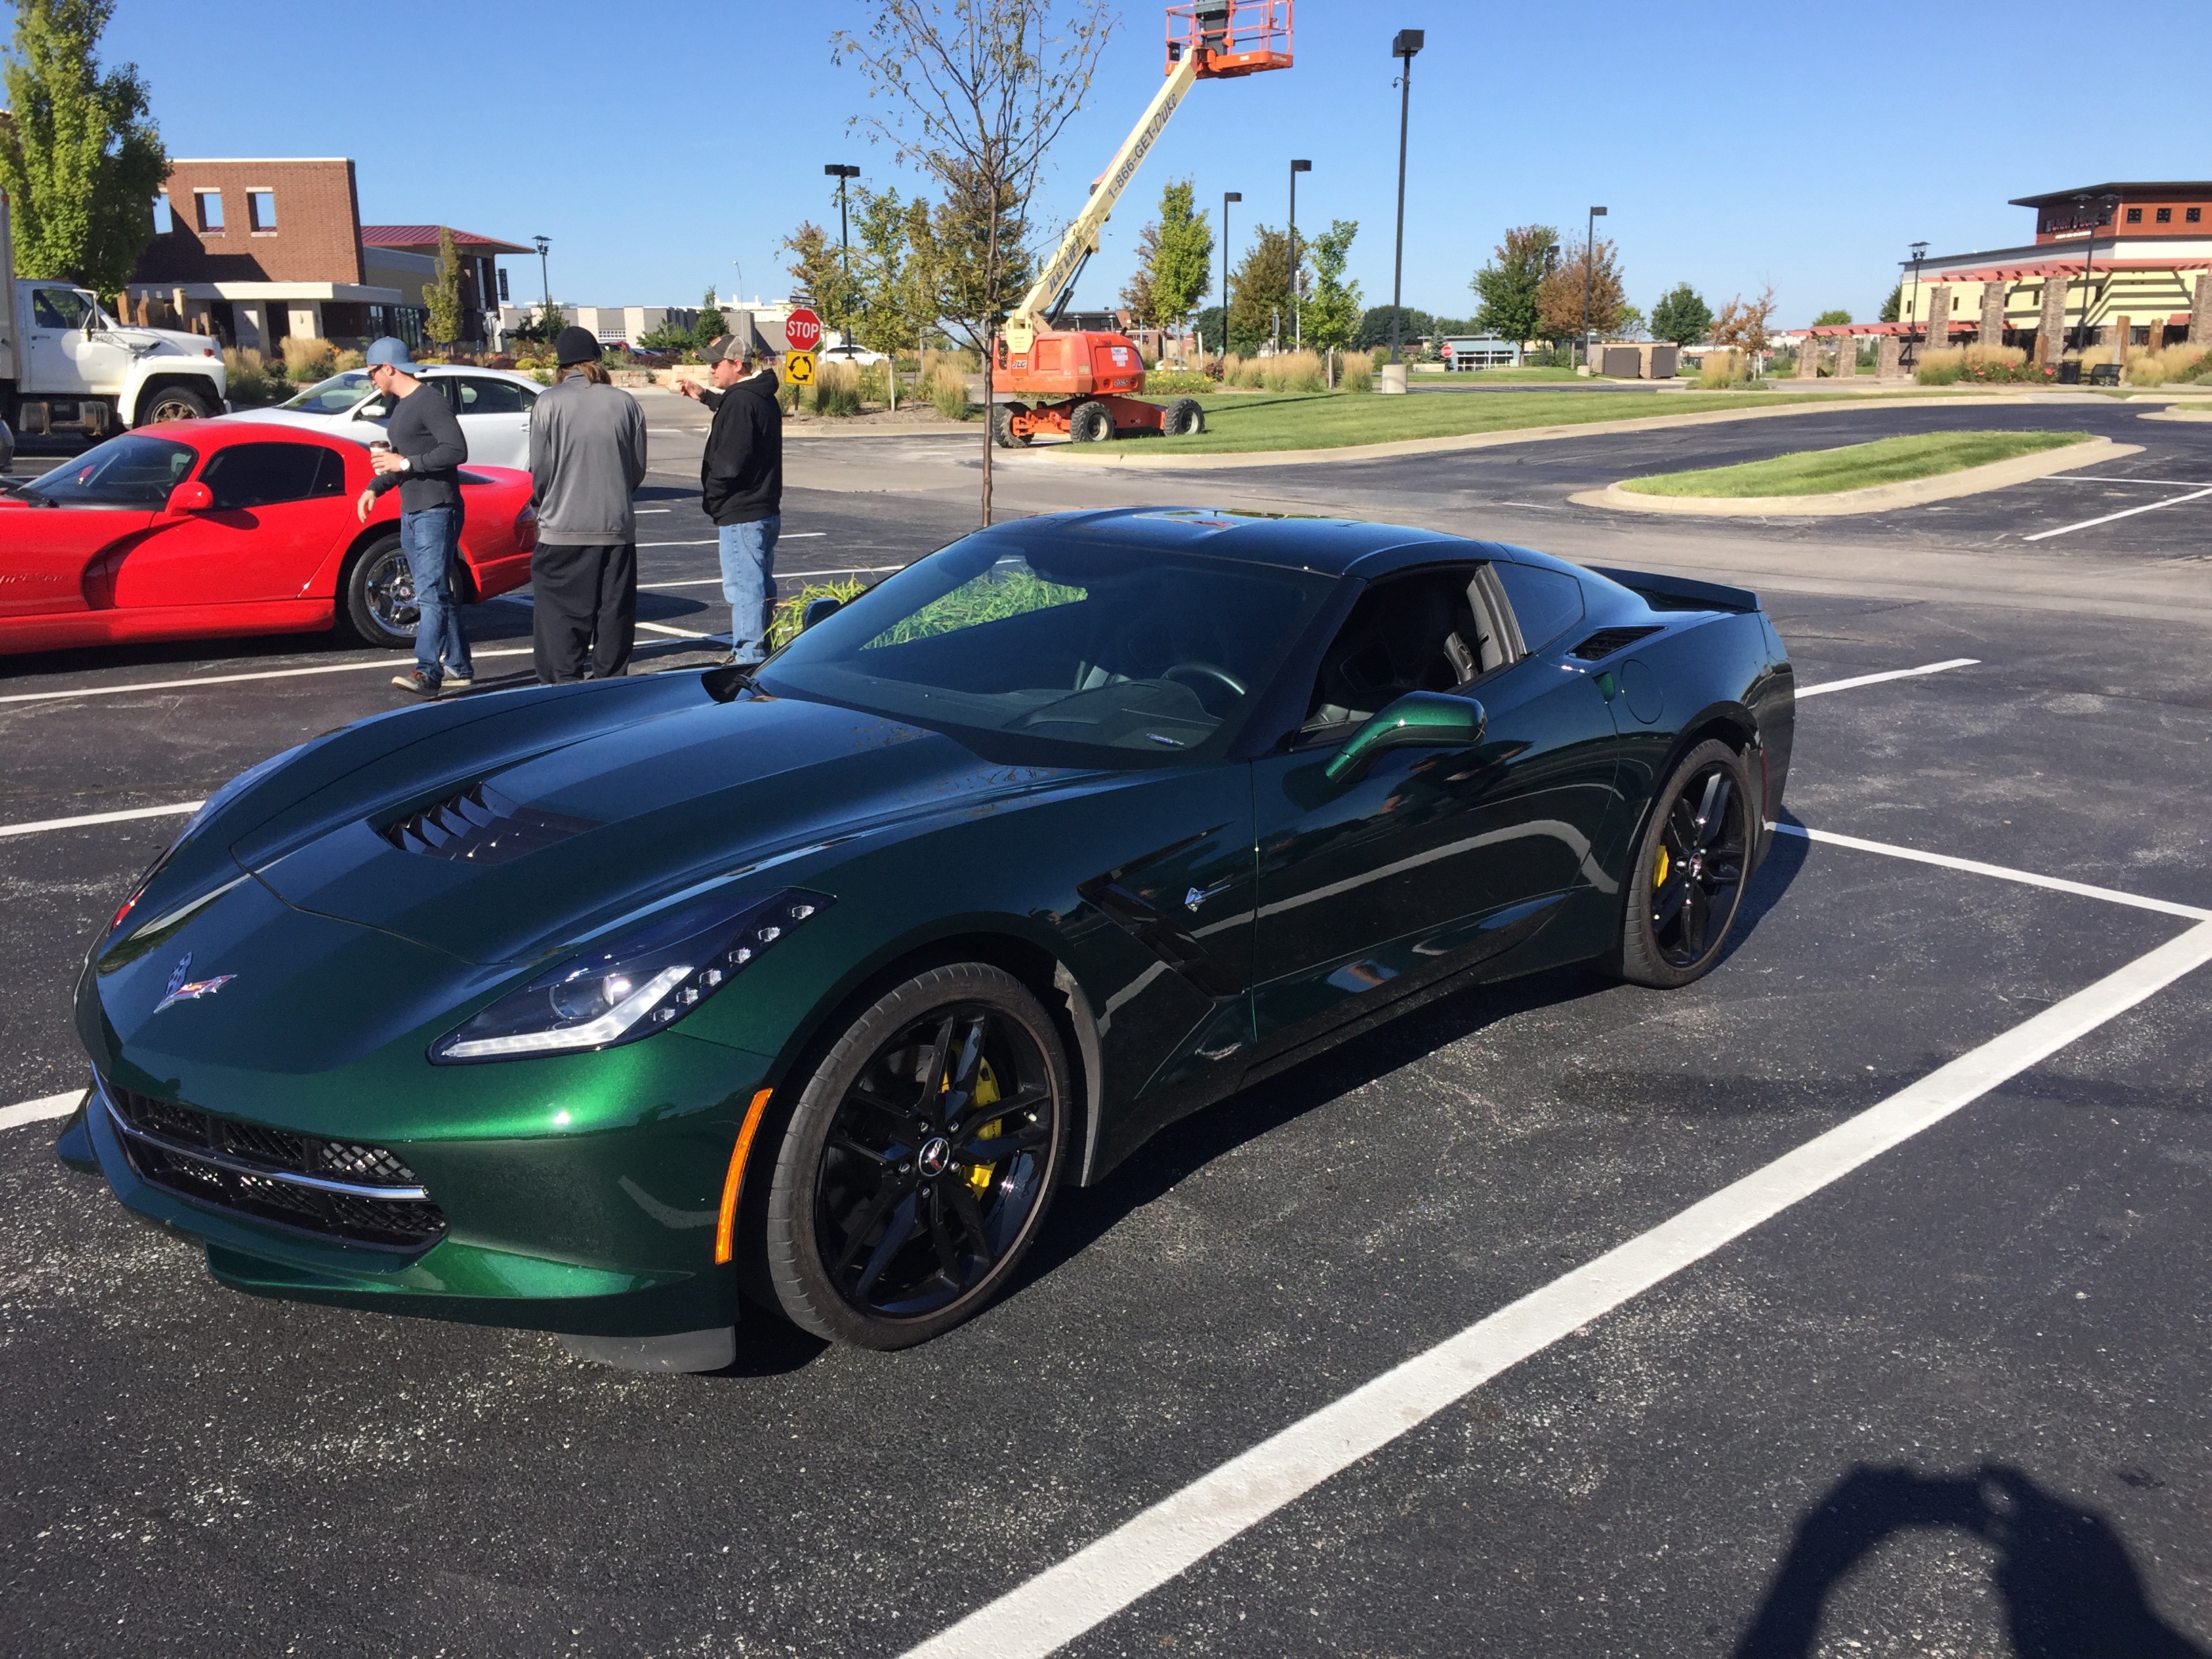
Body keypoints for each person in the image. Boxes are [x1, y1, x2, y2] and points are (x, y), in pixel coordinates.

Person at [527, 326, 649, 682]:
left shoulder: (548, 402)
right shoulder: (625, 402)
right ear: (596, 359)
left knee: (560, 617)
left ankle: (563, 690)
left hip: (562, 528)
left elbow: (542, 470)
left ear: (561, 365)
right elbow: (636, 469)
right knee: (613, 615)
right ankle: (609, 688)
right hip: (616, 527)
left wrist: (543, 501)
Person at [355, 337, 473, 697]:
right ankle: (458, 665)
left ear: (389, 368)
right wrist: (376, 486)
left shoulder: (429, 401)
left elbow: (457, 450)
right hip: (413, 511)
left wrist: (405, 463)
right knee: (436, 591)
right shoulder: (403, 406)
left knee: (431, 591)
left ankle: (427, 671)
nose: (372, 379)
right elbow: (401, 461)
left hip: (437, 509)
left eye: (373, 372)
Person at [678, 331, 782, 665]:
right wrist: (706, 397)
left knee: (745, 589)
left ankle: (749, 656)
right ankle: (763, 649)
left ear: (737, 364)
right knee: (760, 585)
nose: (711, 370)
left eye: (716, 363)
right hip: (762, 507)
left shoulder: (741, 401)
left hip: (742, 511)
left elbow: (730, 462)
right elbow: (739, 409)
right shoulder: (758, 395)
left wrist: (714, 495)